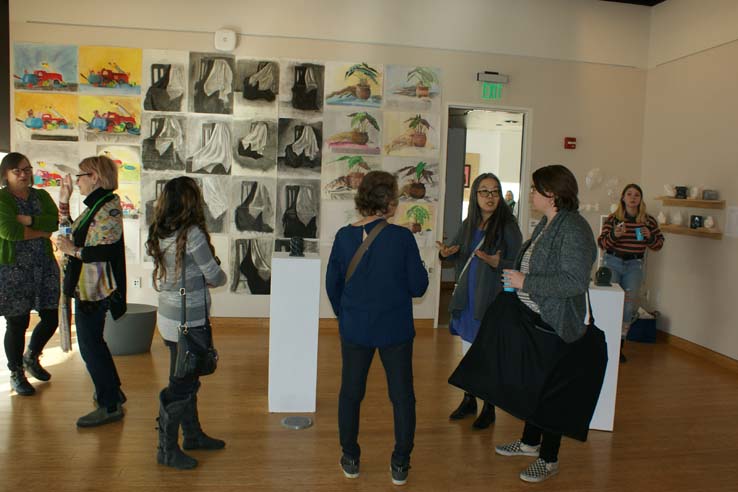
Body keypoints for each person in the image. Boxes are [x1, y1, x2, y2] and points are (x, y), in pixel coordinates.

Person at [449, 164, 606, 484]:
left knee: (550, 392)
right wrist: (514, 275)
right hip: (534, 320)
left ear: (552, 193)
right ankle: (529, 442)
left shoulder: (573, 228)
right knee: (532, 384)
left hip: (555, 324)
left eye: (535, 189)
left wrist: (525, 280)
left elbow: (574, 281)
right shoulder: (548, 224)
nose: (530, 193)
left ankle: (548, 458)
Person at [326, 171, 428, 486]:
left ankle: (350, 457)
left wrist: (346, 314)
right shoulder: (402, 238)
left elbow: (333, 285)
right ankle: (400, 463)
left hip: (355, 328)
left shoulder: (343, 237)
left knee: (351, 394)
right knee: (402, 396)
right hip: (395, 330)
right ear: (389, 202)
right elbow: (419, 287)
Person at [145, 176, 227, 470]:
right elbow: (215, 276)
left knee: (186, 376)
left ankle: (192, 435)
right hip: (188, 321)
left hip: (168, 318)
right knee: (182, 383)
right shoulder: (192, 234)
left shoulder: (158, 230)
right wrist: (219, 272)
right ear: (192, 202)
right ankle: (166, 450)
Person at [437, 173, 522, 429]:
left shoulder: (509, 226)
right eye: (484, 191)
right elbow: (453, 253)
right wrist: (445, 253)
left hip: (491, 300)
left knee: (488, 355)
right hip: (468, 298)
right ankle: (469, 400)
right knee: (469, 354)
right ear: (475, 195)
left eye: (495, 192)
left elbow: (518, 265)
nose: (490, 197)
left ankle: (489, 407)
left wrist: (500, 263)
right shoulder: (468, 224)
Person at [56, 155, 127, 427]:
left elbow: (105, 249)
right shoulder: (95, 205)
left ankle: (110, 404)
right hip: (86, 285)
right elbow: (72, 233)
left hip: (94, 289)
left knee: (90, 346)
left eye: (81, 176)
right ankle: (112, 394)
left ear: (95, 176)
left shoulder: (108, 206)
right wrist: (63, 201)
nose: (78, 181)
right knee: (93, 344)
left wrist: (72, 250)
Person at [0, 152, 60, 395]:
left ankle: (31, 356)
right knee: (17, 323)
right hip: (13, 269)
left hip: (44, 265)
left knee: (50, 318)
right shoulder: (2, 199)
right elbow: (9, 232)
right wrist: (40, 231)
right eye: (17, 171)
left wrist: (27, 219)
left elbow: (54, 222)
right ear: (6, 175)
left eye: (26, 169)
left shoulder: (41, 195)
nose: (24, 174)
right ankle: (16, 372)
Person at [598, 184, 664, 362]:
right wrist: (615, 235)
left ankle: (618, 346)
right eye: (629, 194)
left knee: (629, 307)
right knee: (611, 303)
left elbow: (658, 245)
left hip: (635, 265)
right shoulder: (613, 219)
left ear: (641, 199)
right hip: (613, 262)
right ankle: (605, 344)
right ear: (623, 198)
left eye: (637, 195)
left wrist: (649, 236)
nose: (633, 198)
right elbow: (602, 244)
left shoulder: (648, 221)